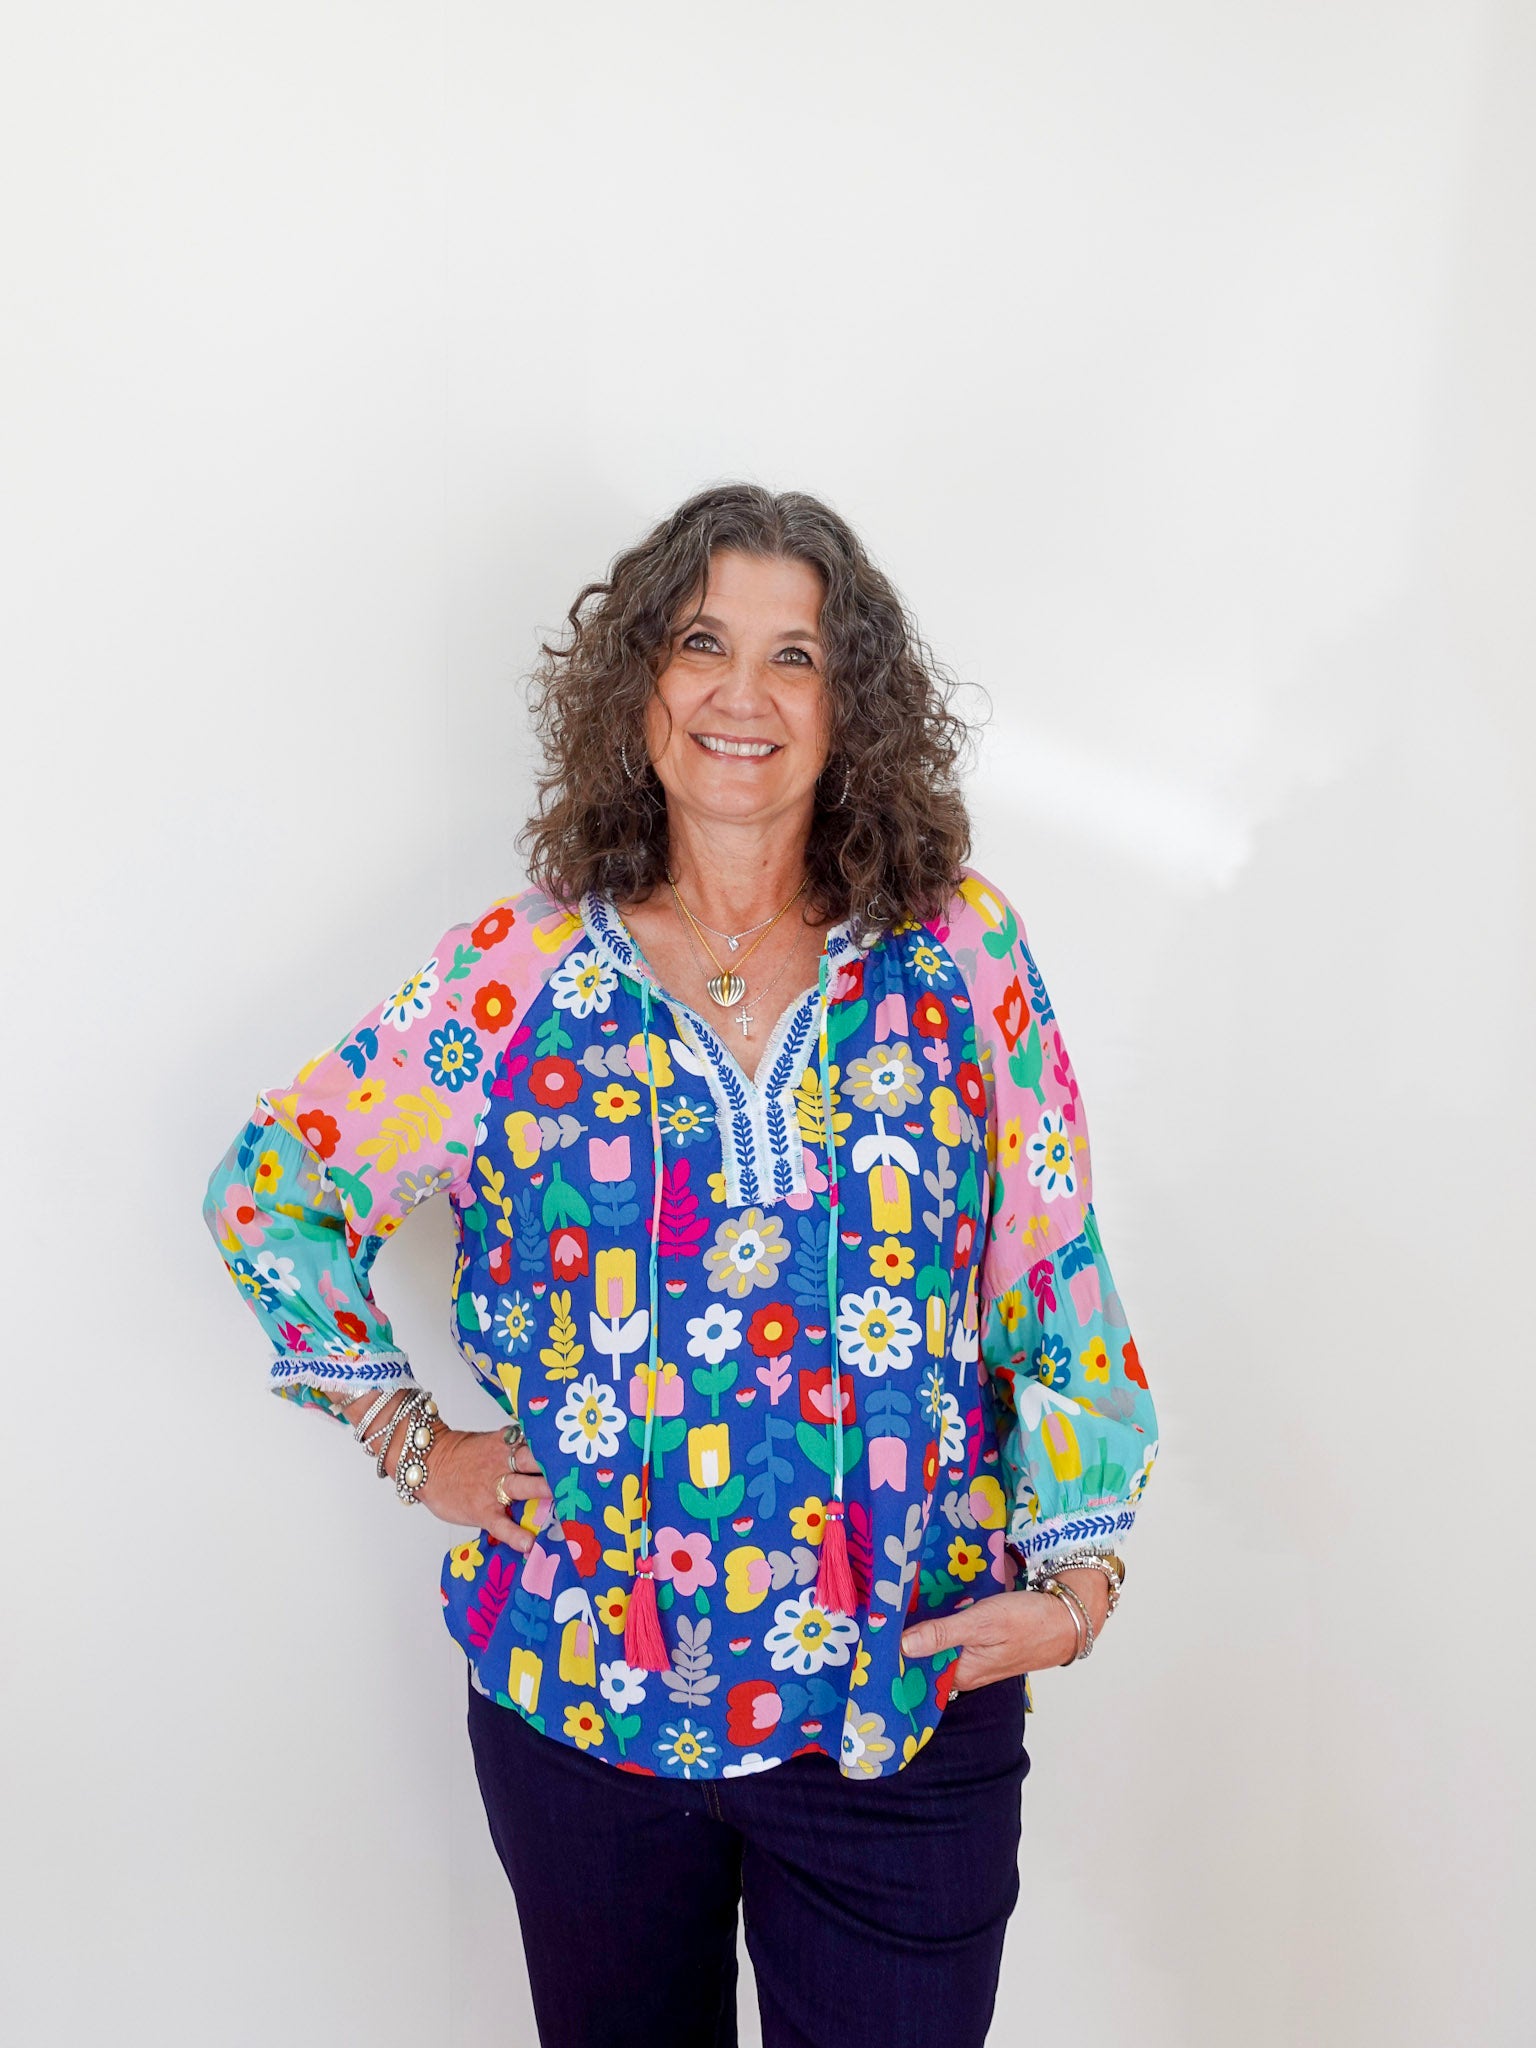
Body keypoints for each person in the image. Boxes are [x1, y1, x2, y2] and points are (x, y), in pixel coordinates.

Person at [203, 483, 1158, 2048]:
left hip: (900, 1717)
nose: (742, 693)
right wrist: (408, 1439)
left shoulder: (958, 951)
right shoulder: (516, 976)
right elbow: (275, 1189)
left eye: (796, 656)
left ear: (851, 706)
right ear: (639, 680)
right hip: (584, 1715)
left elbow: (1054, 1271)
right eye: (704, 641)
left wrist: (1083, 1576)